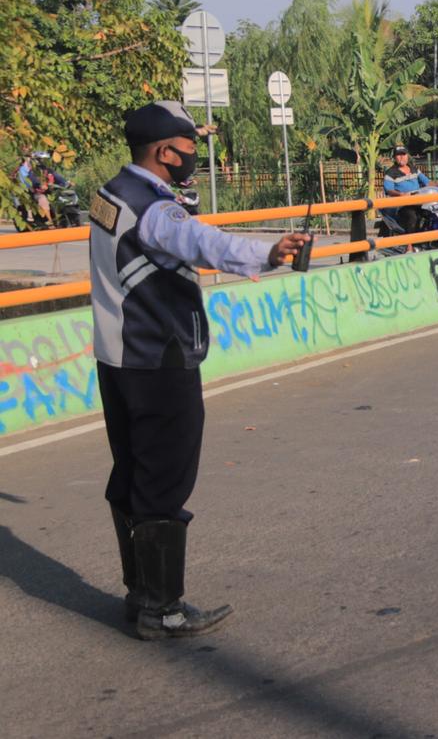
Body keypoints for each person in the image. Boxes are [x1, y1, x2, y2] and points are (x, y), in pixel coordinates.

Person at [92, 101, 309, 639]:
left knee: (133, 475)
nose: (194, 155)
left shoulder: (110, 193)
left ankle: (140, 593)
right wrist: (269, 252)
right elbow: (199, 240)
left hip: (117, 357)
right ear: (165, 151)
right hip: (160, 358)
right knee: (165, 480)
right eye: (190, 145)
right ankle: (162, 611)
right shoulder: (153, 208)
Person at [382, 145, 433, 237]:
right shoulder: (390, 173)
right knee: (412, 216)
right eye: (398, 155)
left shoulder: (414, 169)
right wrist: (401, 194)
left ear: (407, 156)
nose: (402, 157)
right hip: (402, 205)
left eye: (404, 154)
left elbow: (427, 182)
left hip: (419, 201)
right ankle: (409, 245)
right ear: (394, 157)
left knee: (433, 213)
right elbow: (389, 190)